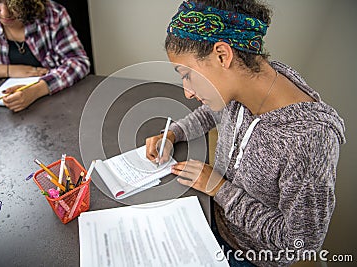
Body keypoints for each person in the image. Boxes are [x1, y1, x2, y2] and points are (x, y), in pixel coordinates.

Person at [146, 0, 345, 266]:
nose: (188, 92)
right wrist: (174, 133)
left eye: (187, 74)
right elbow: (213, 112)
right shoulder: (248, 82)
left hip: (247, 256)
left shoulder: (308, 142)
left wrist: (219, 188)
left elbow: (302, 244)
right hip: (210, 216)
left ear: (222, 55)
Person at [0, 0, 90, 112]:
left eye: (12, 2)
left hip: (56, 107)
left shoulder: (53, 15)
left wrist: (36, 91)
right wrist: (6, 70)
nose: (5, 12)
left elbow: (79, 62)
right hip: (1, 114)